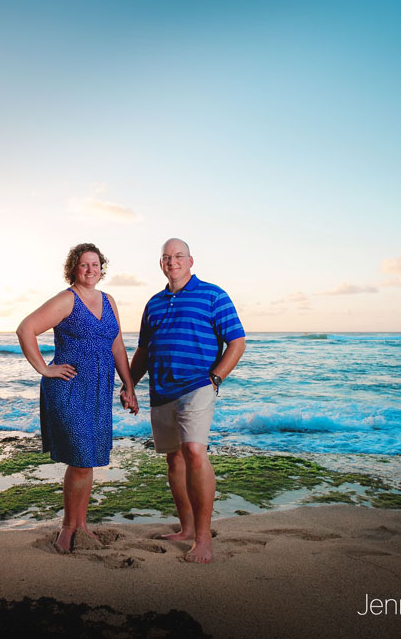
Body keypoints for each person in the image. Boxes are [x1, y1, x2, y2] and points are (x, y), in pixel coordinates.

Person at [122, 238, 245, 564]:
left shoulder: (213, 295)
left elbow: (237, 342)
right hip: (161, 391)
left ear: (191, 261)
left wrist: (215, 377)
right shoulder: (154, 303)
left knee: (194, 451)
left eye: (178, 256)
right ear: (161, 263)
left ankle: (204, 539)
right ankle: (187, 529)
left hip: (198, 386)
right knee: (174, 460)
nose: (172, 261)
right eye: (166, 257)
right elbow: (144, 352)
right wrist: (130, 386)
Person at [17, 243, 138, 553]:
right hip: (69, 389)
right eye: (84, 264)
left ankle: (81, 526)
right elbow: (26, 329)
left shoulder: (109, 301)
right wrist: (45, 369)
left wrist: (129, 385)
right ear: (73, 268)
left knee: (88, 461)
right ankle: (67, 529)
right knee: (82, 458)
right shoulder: (66, 300)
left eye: (95, 264)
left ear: (102, 268)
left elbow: (117, 346)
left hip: (99, 391)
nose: (90, 269)